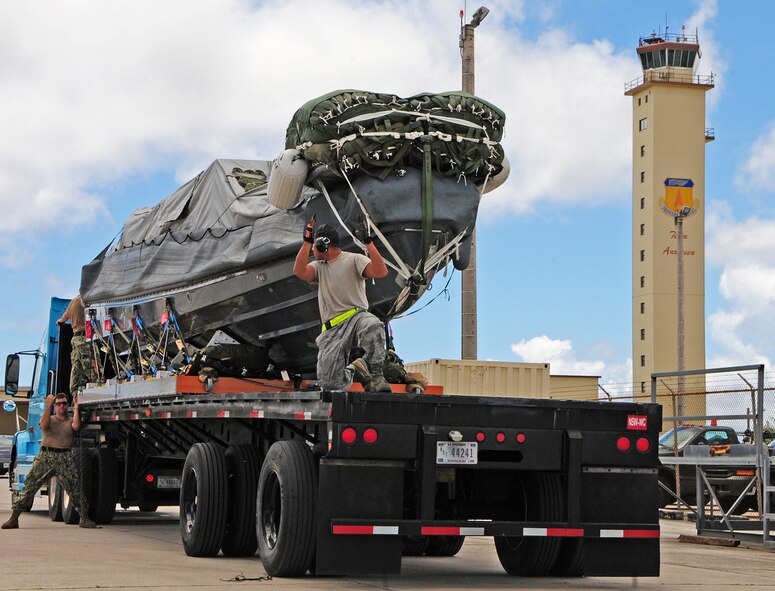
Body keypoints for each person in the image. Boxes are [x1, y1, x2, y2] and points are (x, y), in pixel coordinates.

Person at [293, 218, 392, 392]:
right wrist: (307, 242)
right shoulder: (318, 267)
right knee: (330, 383)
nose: (312, 250)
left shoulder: (354, 259)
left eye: (314, 245)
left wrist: (368, 242)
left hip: (356, 318)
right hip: (332, 330)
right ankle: (357, 370)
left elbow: (381, 271)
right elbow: (299, 271)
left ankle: (376, 376)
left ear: (324, 244)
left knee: (373, 325)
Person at [2, 393, 97, 529]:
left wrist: (76, 407)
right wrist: (48, 405)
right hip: (46, 456)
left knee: (75, 488)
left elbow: (76, 426)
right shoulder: (50, 419)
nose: (61, 406)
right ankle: (14, 518)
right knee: (30, 486)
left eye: (64, 403)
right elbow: (44, 425)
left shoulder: (70, 420)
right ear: (55, 406)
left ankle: (84, 518)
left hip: (65, 457)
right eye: (58, 404)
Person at [57, 294, 94, 394]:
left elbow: (62, 319)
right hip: (83, 338)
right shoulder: (85, 300)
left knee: (76, 368)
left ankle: (75, 393)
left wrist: (60, 322)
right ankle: (97, 384)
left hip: (75, 339)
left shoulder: (73, 302)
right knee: (91, 365)